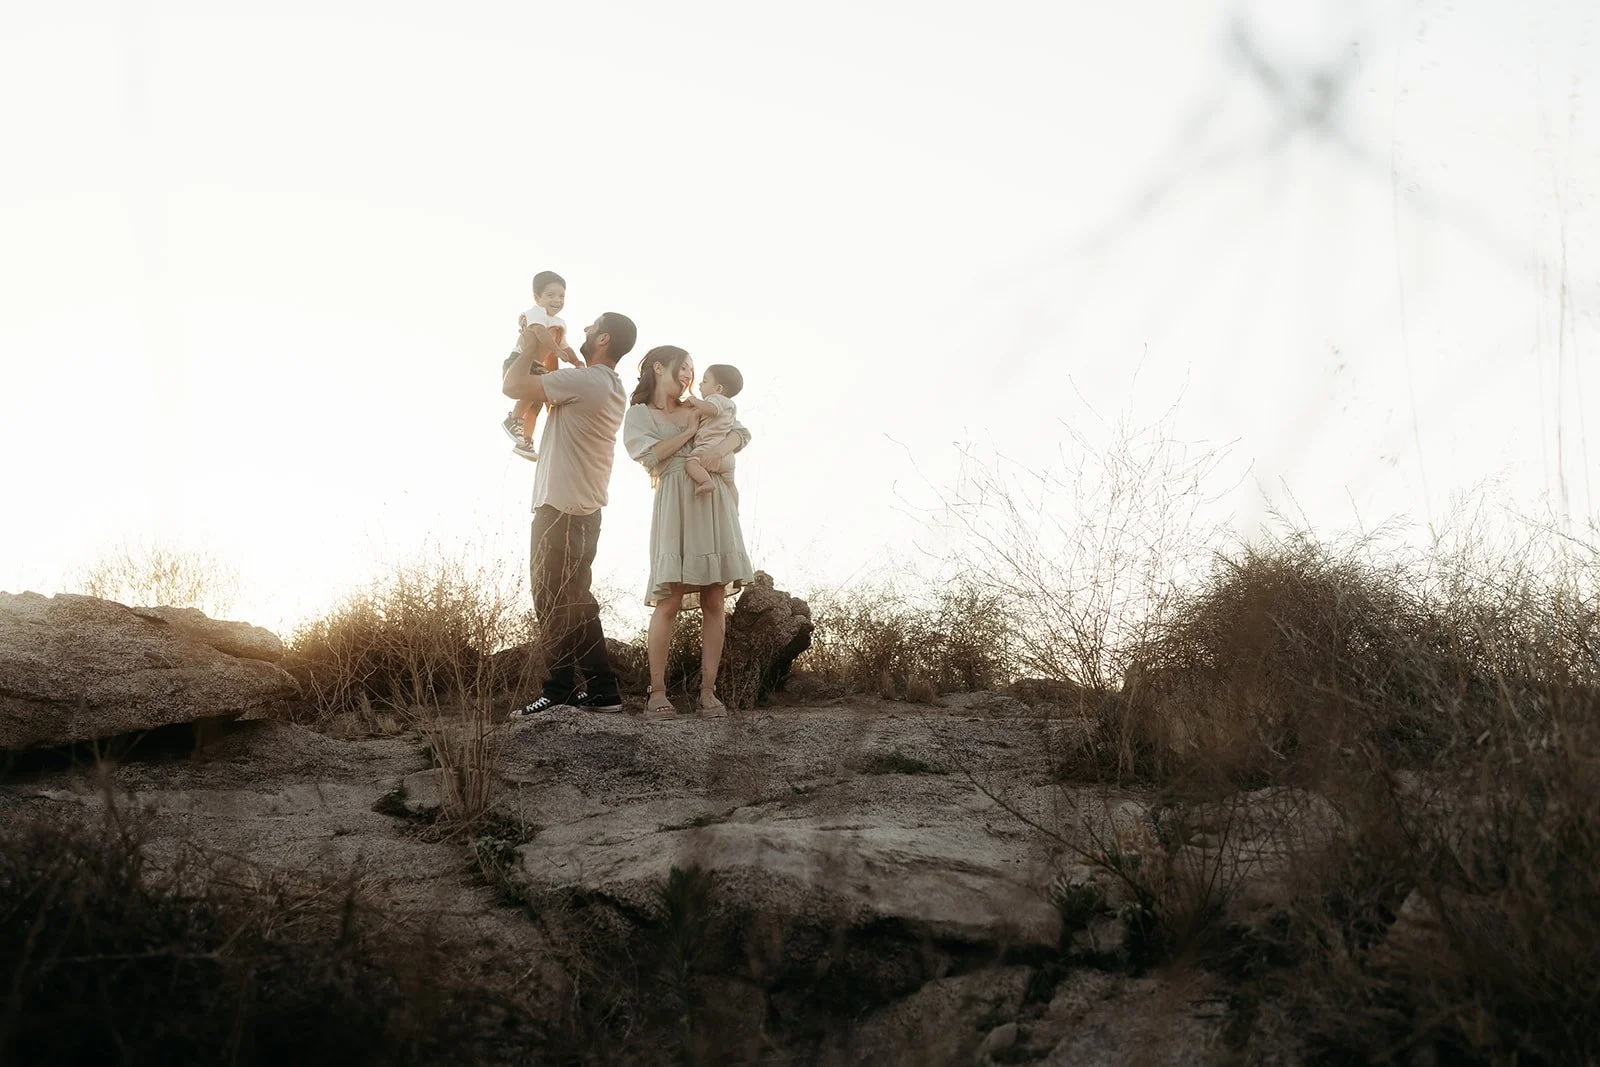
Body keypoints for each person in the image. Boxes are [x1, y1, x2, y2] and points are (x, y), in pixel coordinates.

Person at [502, 310, 638, 716]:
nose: (584, 329)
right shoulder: (606, 383)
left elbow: (511, 385)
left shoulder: (587, 380)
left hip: (560, 509)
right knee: (576, 600)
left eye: (592, 326)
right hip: (583, 510)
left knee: (551, 600)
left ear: (603, 339)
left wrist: (533, 338)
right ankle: (602, 691)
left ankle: (559, 689)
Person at [622, 346, 754, 718]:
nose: (688, 375)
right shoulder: (639, 414)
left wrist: (715, 454)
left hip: (712, 497)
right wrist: (690, 434)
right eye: (684, 367)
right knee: (671, 598)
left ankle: (708, 692)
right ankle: (657, 692)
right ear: (659, 366)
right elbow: (650, 456)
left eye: (693, 371)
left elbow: (741, 432)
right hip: (675, 501)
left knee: (715, 598)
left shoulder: (700, 404)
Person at [501, 270, 581, 461]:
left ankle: (525, 441)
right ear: (537, 297)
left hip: (537, 366)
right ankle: (514, 418)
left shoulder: (560, 323)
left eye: (561, 296)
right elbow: (539, 332)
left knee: (535, 405)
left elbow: (566, 347)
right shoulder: (536, 313)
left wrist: (576, 361)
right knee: (535, 389)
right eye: (550, 295)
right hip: (520, 362)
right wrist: (557, 350)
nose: (557, 300)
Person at [682, 363, 746, 505]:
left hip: (708, 447)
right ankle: (735, 510)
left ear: (718, 389)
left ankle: (706, 481)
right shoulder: (730, 406)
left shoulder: (716, 399)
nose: (699, 384)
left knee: (691, 462)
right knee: (730, 484)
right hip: (728, 458)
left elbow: (711, 409)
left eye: (704, 381)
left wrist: (694, 401)